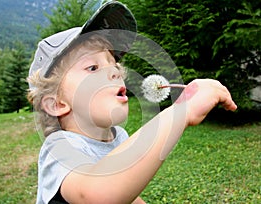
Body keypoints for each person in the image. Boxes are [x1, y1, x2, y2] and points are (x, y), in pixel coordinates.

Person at [27, 2, 237, 204]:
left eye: (114, 65)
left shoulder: (119, 138)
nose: (114, 72)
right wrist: (182, 111)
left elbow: (123, 193)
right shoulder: (60, 147)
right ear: (57, 104)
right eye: (92, 68)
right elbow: (98, 194)